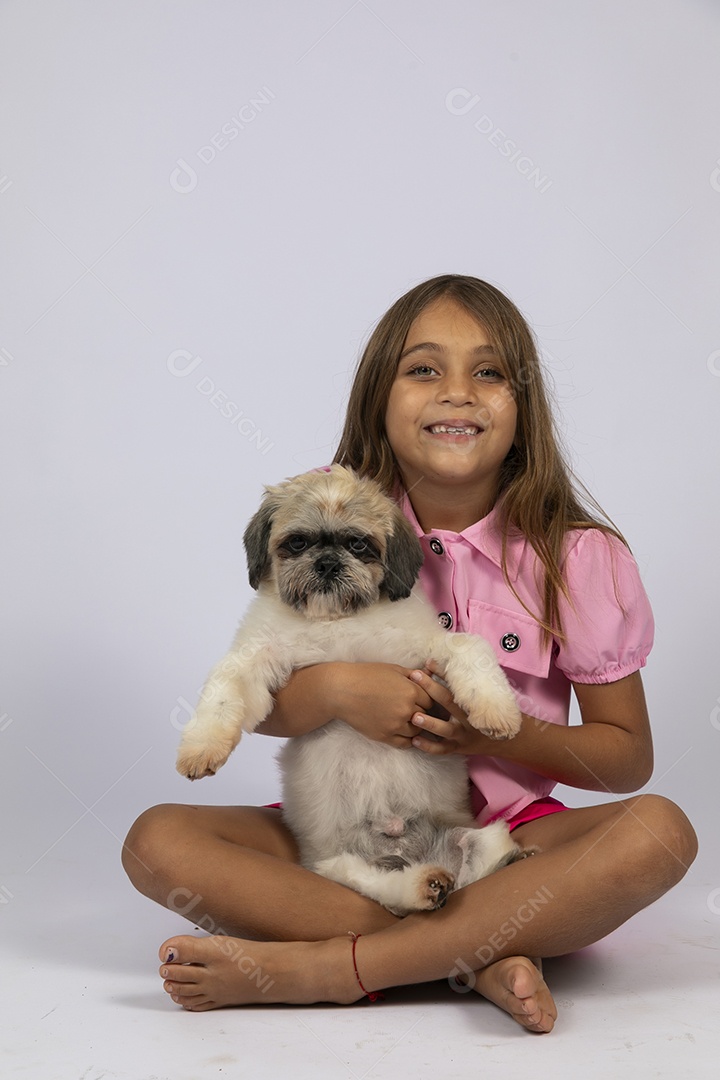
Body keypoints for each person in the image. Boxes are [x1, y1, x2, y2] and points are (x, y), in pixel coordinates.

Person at [122, 275, 697, 1033]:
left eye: (489, 372)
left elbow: (627, 760)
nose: (457, 392)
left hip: (511, 830)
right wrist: (337, 691)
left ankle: (334, 969)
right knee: (156, 842)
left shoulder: (579, 557)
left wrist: (495, 733)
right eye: (424, 368)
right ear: (378, 398)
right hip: (343, 820)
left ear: (524, 406)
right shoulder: (332, 509)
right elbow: (263, 698)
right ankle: (477, 955)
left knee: (660, 833)